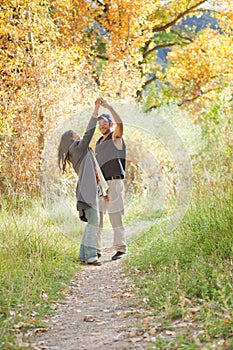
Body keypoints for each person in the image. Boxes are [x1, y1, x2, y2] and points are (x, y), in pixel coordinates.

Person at [58, 98, 103, 266]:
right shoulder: (77, 147)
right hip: (87, 190)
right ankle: (91, 256)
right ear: (72, 138)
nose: (79, 134)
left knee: (92, 222)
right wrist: (96, 109)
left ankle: (84, 255)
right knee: (94, 222)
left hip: (86, 189)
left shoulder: (75, 151)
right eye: (75, 133)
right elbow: (89, 132)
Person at [95, 98, 127, 260]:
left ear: (111, 124)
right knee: (98, 216)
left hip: (115, 181)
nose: (102, 126)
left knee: (115, 215)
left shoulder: (115, 137)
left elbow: (120, 123)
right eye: (100, 124)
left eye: (105, 123)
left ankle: (121, 248)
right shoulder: (98, 142)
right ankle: (97, 249)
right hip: (103, 184)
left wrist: (109, 107)